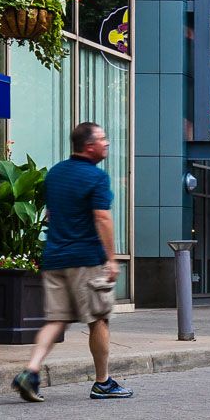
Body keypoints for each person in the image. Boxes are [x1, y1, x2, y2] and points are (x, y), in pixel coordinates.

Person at [13, 122, 131, 401]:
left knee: (56, 319)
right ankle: (103, 382)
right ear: (89, 146)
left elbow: (52, 214)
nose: (107, 144)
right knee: (99, 319)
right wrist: (111, 259)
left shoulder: (55, 173)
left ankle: (30, 371)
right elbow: (102, 217)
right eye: (103, 139)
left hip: (55, 257)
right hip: (86, 259)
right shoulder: (96, 177)